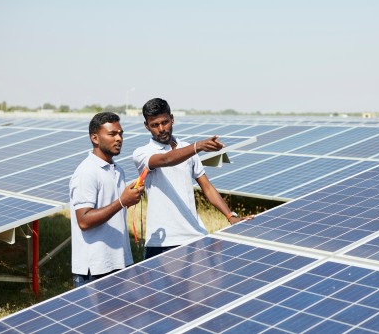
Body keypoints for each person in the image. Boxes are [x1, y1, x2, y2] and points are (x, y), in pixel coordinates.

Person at [133, 98, 254, 259]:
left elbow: (207, 187)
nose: (161, 129)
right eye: (154, 125)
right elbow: (166, 159)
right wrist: (198, 147)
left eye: (165, 122)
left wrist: (230, 216)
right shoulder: (142, 153)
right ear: (146, 126)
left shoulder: (187, 149)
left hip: (195, 236)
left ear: (172, 119)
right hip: (162, 242)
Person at [69, 112, 144, 287]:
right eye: (112, 134)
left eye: (121, 133)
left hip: (118, 263)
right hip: (94, 270)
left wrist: (128, 198)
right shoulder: (87, 172)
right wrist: (121, 201)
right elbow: (84, 221)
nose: (119, 138)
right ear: (95, 138)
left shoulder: (118, 170)